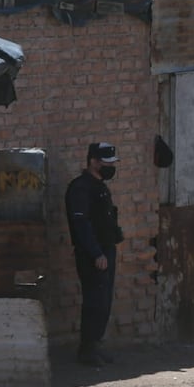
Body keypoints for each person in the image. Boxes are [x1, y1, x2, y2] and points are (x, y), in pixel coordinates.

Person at [64, 142, 123, 368]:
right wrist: (96, 253)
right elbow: (81, 225)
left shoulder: (99, 187)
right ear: (93, 162)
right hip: (93, 254)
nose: (110, 167)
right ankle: (87, 349)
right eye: (105, 163)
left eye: (112, 163)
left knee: (104, 301)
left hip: (106, 251)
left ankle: (95, 345)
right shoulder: (80, 188)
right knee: (94, 302)